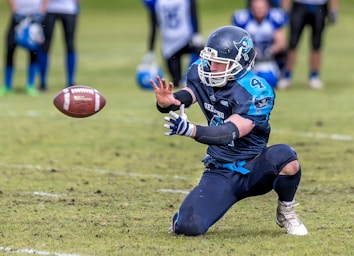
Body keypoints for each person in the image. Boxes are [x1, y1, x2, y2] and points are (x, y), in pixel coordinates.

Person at [151, 26, 308, 236]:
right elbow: (191, 93)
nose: (212, 67)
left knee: (286, 157)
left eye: (220, 63)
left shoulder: (256, 90)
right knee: (188, 227)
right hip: (220, 170)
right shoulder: (202, 71)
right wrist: (167, 102)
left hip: (255, 168)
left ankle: (286, 210)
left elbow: (229, 132)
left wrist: (191, 130)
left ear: (240, 64)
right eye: (210, 60)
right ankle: (187, 214)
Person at [277, 0, 339, 90]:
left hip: (319, 5)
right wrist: (286, 6)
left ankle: (314, 76)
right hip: (300, 5)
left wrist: (334, 8)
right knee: (293, 43)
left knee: (317, 44)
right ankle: (287, 75)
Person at [142, 0, 204, 88]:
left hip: (184, 40)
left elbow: (154, 28)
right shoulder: (156, 2)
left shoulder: (155, 2)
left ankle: (189, 77)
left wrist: (196, 34)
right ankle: (184, 79)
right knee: (176, 83)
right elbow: (154, 26)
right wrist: (150, 51)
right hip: (170, 47)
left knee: (203, 54)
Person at [233, 0, 288, 88]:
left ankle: (281, 75)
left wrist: (271, 50)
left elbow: (281, 42)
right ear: (251, 8)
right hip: (250, 53)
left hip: (269, 53)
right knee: (236, 54)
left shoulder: (274, 17)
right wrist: (252, 52)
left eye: (262, 8)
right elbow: (238, 41)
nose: (259, 11)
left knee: (284, 53)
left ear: (268, 8)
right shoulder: (244, 18)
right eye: (257, 8)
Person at [1, 0, 49, 96]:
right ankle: (7, 85)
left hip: (35, 18)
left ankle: (30, 85)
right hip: (18, 17)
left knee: (34, 50)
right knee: (10, 48)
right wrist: (15, 10)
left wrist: (41, 11)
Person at [37, 0, 80, 91]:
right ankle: (43, 82)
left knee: (70, 45)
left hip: (69, 9)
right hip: (50, 9)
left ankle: (70, 82)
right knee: (45, 45)